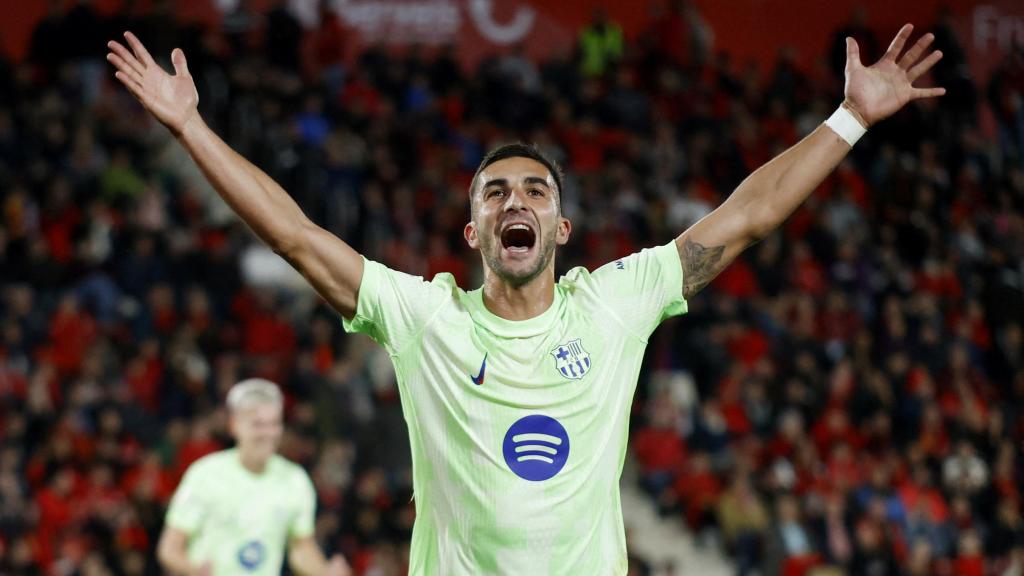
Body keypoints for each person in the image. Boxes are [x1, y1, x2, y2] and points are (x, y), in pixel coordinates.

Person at [107, 23, 945, 573]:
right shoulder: (423, 317)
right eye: (495, 192)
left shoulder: (615, 304)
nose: (516, 201)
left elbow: (749, 217)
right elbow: (294, 235)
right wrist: (191, 128)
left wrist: (851, 120)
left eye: (535, 191)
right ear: (472, 231)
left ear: (564, 226)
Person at [157, 379, 350, 576]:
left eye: (274, 423)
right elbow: (169, 549)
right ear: (234, 425)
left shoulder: (295, 480)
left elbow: (301, 549)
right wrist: (194, 570)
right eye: (258, 424)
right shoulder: (205, 474)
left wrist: (325, 572)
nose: (268, 433)